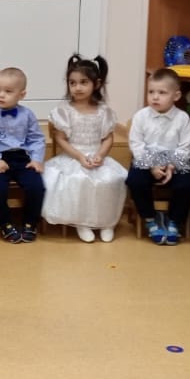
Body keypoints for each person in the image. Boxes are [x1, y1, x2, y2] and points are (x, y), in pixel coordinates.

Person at [41, 54, 127, 242]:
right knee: (78, 180)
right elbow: (60, 139)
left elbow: (107, 138)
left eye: (83, 82)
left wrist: (100, 155)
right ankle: (82, 222)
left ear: (96, 84)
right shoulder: (64, 111)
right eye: (72, 83)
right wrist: (79, 157)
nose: (77, 87)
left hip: (97, 155)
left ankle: (106, 222)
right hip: (73, 156)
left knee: (110, 180)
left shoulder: (104, 111)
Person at [0, 67, 46, 243]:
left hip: (21, 158)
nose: (1, 95)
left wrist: (36, 159)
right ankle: (4, 223)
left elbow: (36, 139)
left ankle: (30, 223)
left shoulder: (27, 115)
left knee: (36, 186)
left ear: (21, 95)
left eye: (8, 91)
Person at [126, 69, 190, 245]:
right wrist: (152, 166)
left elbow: (186, 147)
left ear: (176, 96)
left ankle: (174, 221)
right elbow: (136, 145)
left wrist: (171, 166)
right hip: (147, 160)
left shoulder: (182, 118)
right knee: (135, 181)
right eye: (151, 92)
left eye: (162, 93)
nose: (155, 97)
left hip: (174, 161)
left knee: (186, 184)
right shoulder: (141, 116)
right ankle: (151, 219)